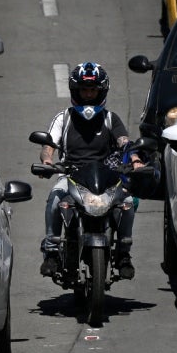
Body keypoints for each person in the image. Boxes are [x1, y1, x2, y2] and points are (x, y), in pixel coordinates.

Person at [39, 61, 143, 280]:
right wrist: (47, 161)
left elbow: (124, 141)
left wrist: (135, 160)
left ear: (101, 91)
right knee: (55, 199)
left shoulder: (110, 118)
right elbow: (48, 146)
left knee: (127, 203)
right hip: (71, 176)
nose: (88, 95)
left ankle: (124, 253)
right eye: (84, 90)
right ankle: (51, 252)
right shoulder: (63, 118)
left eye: (92, 89)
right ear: (75, 91)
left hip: (106, 177)